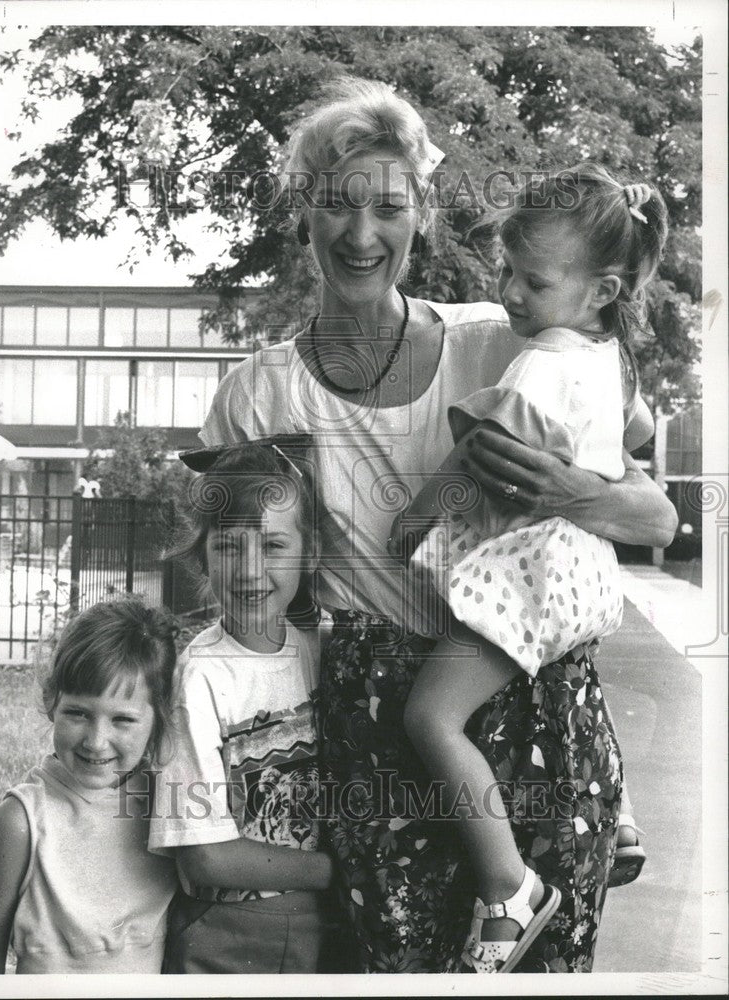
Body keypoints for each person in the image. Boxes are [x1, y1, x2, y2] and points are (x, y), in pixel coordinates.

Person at [183, 77, 678, 972]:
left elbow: (653, 509)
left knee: (544, 971)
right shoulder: (258, 394)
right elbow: (229, 588)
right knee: (401, 970)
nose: (360, 234)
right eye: (335, 204)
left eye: (388, 206)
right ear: (304, 210)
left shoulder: (505, 341)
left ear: (422, 213)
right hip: (377, 716)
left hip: (535, 703)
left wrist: (565, 490)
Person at [395, 164, 667, 971]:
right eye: (506, 272)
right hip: (582, 572)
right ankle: (615, 808)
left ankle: (509, 889)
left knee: (430, 719)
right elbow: (638, 435)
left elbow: (473, 458)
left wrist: (407, 527)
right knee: (563, 675)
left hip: (529, 576)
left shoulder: (539, 363)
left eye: (533, 280)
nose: (510, 293)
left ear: (600, 288)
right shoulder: (607, 355)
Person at [149, 442, 337, 974]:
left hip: (324, 931)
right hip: (226, 940)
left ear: (311, 552)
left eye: (274, 545)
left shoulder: (323, 650)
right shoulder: (201, 677)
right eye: (229, 546)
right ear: (200, 554)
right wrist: (343, 870)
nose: (251, 570)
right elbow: (205, 854)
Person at [0, 600, 179, 974]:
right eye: (78, 713)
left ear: (158, 719)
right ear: (52, 703)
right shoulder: (21, 820)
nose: (96, 741)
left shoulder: (167, 806)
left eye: (123, 719)